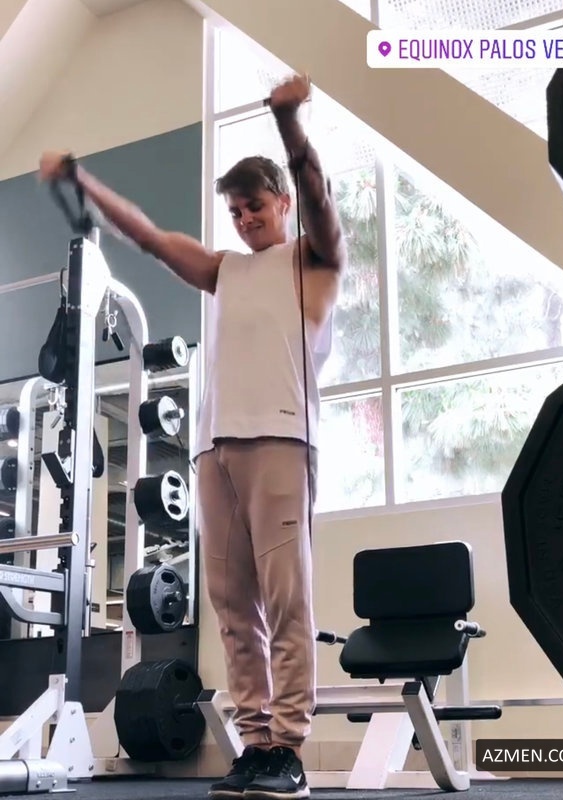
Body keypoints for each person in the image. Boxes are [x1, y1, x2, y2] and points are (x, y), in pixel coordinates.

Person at [39, 72, 346, 800]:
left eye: (255, 206)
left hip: (281, 441)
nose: (244, 220)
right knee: (232, 609)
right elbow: (148, 238)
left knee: (287, 601)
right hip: (215, 451)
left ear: (281, 203)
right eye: (234, 211)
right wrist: (82, 180)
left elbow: (318, 192)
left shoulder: (313, 258)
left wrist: (288, 122)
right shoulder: (223, 270)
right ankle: (255, 745)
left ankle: (288, 747)